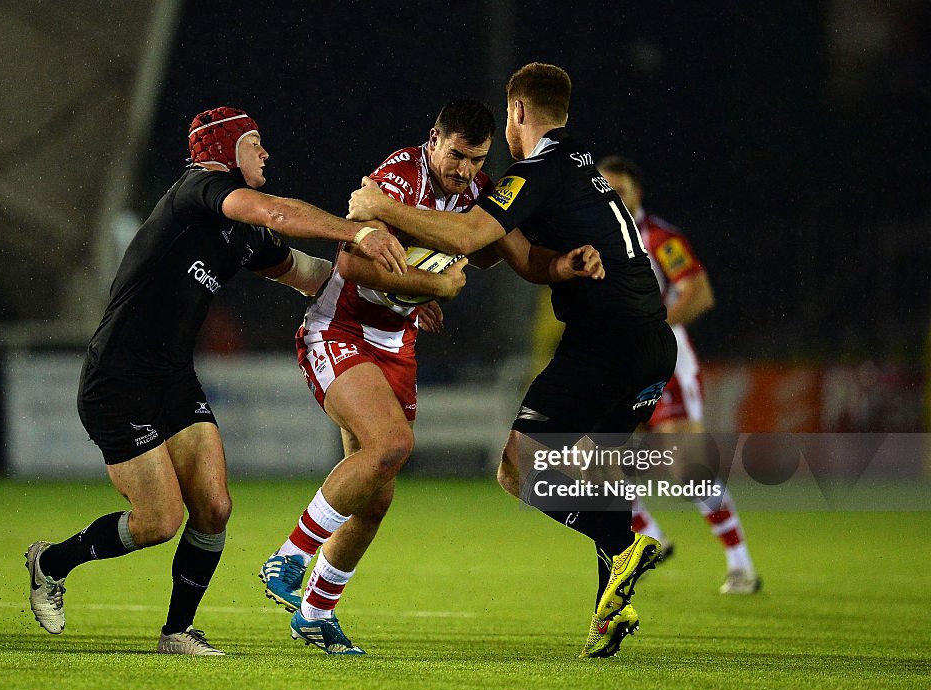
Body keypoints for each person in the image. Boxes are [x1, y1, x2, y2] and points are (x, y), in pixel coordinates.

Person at [24, 106, 407, 656]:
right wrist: (358, 231)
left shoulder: (244, 237)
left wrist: (402, 295)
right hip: (118, 378)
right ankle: (51, 562)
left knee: (215, 508)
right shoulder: (198, 188)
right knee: (158, 521)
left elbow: (316, 278)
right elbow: (276, 212)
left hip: (173, 377)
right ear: (225, 153)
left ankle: (177, 633)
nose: (266, 153)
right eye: (256, 143)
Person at [348, 63, 677, 659]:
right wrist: (563, 265)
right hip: (653, 341)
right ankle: (609, 614)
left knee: (516, 470)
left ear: (517, 112)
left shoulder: (537, 171)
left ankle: (622, 542)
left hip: (603, 342)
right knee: (600, 475)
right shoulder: (582, 164)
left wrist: (382, 207)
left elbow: (471, 236)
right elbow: (520, 257)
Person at [259, 99, 603, 655]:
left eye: (477, 159)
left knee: (376, 496)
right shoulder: (394, 180)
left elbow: (518, 257)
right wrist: (433, 288)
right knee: (392, 444)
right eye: (457, 155)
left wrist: (566, 264)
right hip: (342, 328)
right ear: (433, 139)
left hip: (397, 344)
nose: (465, 170)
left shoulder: (476, 193)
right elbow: (348, 263)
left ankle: (316, 613)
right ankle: (290, 557)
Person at [597, 155, 761, 595]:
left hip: (665, 362)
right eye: (605, 189)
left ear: (638, 195)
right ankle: (649, 536)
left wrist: (652, 325)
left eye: (622, 190)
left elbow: (699, 293)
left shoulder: (659, 238)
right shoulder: (597, 240)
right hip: (619, 363)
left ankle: (740, 564)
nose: (613, 197)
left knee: (687, 466)